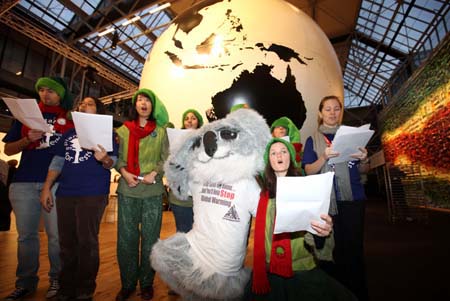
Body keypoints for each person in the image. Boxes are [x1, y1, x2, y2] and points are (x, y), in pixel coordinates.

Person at [245, 138, 356, 301]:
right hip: (269, 272)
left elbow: (320, 241)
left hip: (303, 271)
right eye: (273, 153)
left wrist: (321, 233)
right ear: (268, 160)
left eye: (283, 151)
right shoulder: (262, 196)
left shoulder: (307, 188)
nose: (279, 156)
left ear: (290, 157)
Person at [40, 96, 118, 301]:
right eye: (81, 103)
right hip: (65, 193)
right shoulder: (68, 134)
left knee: (87, 242)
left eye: (90, 103)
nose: (84, 105)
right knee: (66, 243)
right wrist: (47, 188)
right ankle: (66, 288)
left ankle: (85, 290)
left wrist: (105, 159)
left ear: (98, 110)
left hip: (93, 193)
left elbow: (113, 164)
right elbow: (57, 163)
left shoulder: (107, 133)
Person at [3, 76, 74, 300]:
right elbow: (8, 151)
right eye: (41, 90)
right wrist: (26, 139)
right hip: (23, 182)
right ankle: (25, 282)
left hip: (56, 184)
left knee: (56, 237)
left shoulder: (71, 120)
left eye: (50, 91)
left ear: (60, 94)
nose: (45, 94)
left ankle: (57, 279)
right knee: (26, 237)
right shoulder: (24, 118)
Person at [302, 95, 370, 301]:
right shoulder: (313, 139)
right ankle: (336, 294)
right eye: (328, 109)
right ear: (320, 113)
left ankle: (358, 294)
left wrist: (364, 159)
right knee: (331, 253)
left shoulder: (352, 136)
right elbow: (308, 170)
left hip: (353, 200)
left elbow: (363, 170)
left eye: (336, 109)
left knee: (354, 250)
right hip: (326, 202)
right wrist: (324, 157)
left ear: (341, 111)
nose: (332, 113)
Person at [114, 88, 169, 301]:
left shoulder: (162, 132)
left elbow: (166, 158)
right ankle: (127, 283)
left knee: (150, 240)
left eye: (147, 100)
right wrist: (125, 173)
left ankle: (146, 283)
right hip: (128, 189)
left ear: (153, 106)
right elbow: (118, 158)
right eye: (139, 100)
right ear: (134, 105)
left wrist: (155, 173)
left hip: (153, 191)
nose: (143, 103)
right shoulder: (123, 131)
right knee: (126, 239)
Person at [168, 109, 203, 233]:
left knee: (199, 234)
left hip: (199, 197)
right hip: (180, 198)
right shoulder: (175, 140)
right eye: (186, 118)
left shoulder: (205, 140)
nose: (189, 121)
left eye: (193, 118)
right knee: (183, 232)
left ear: (198, 121)